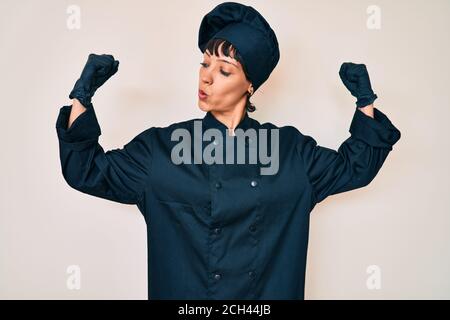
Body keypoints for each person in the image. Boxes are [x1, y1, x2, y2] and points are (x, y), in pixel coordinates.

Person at [55, 2, 401, 300]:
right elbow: (85, 170)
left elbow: (355, 167)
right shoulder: (159, 151)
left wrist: (365, 103)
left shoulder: (290, 153)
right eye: (204, 64)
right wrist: (81, 97)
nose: (206, 78)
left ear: (251, 84)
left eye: (223, 70)